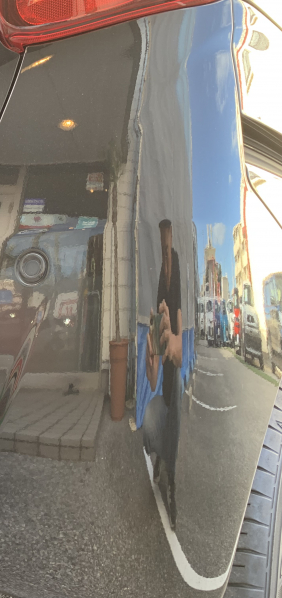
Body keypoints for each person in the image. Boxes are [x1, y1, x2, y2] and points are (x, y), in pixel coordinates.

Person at [144, 219, 184, 529]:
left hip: (175, 375)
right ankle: (161, 462)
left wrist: (173, 341)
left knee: (174, 416)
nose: (165, 254)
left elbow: (178, 355)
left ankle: (170, 484)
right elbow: (154, 377)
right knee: (162, 414)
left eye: (167, 244)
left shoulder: (177, 308)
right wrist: (154, 356)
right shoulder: (162, 281)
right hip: (166, 373)